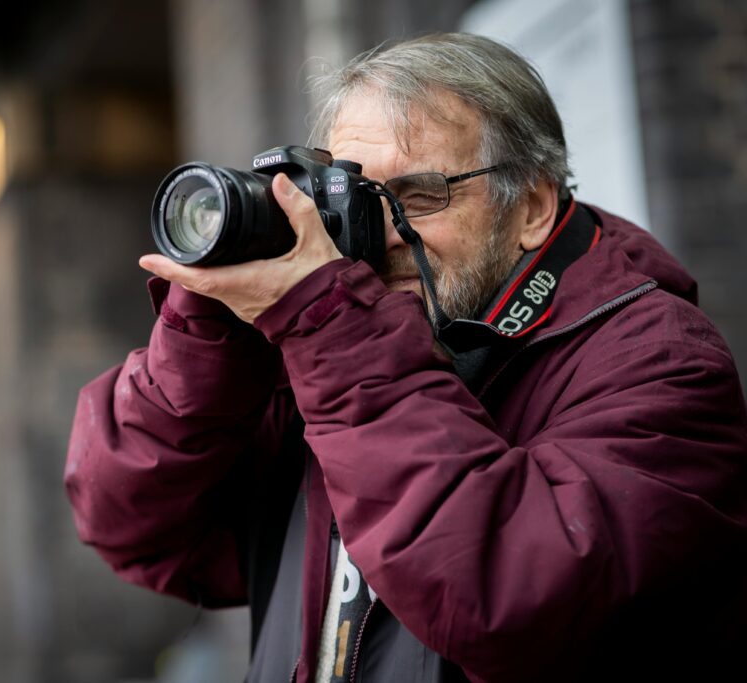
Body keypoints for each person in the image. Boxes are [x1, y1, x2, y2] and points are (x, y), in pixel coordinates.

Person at [64, 33, 747, 683]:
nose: (381, 234)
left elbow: (508, 598)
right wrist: (209, 336)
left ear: (533, 206)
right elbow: (132, 523)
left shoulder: (662, 362)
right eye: (358, 198)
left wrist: (328, 322)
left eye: (419, 196)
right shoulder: (321, 356)